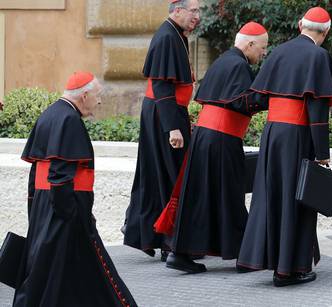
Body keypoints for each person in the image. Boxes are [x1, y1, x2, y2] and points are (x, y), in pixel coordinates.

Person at [236, 7, 332, 287]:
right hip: (298, 135)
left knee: (272, 195)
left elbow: (260, 97)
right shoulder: (319, 56)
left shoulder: (279, 52)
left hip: (273, 134)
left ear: (300, 25)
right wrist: (322, 155)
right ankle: (289, 270)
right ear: (327, 31)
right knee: (298, 199)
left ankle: (270, 261)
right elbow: (317, 111)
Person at [13, 72, 137, 306]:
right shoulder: (69, 119)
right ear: (85, 95)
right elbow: (59, 175)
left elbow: (36, 172)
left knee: (50, 270)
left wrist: (36, 210)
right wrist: (70, 214)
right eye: (98, 96)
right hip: (65, 212)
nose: (99, 101)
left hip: (46, 206)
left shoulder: (50, 113)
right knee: (86, 269)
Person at [161, 22, 269, 273]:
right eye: (262, 48)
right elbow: (242, 101)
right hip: (221, 138)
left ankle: (182, 253)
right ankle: (246, 254)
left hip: (208, 137)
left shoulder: (225, 61)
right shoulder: (238, 64)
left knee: (204, 197)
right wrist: (270, 96)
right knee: (229, 195)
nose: (263, 53)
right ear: (250, 44)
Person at [123, 0, 200, 261]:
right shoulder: (167, 37)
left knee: (158, 174)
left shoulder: (175, 34)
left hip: (166, 112)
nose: (197, 16)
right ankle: (171, 242)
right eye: (194, 11)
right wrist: (173, 129)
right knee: (171, 175)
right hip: (163, 114)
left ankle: (148, 234)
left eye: (199, 11)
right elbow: (163, 86)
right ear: (177, 11)